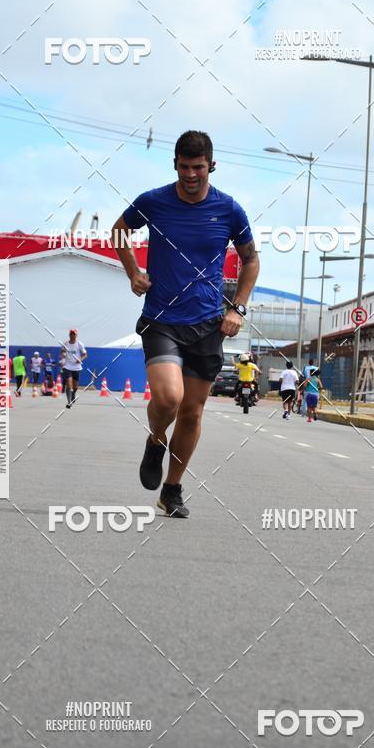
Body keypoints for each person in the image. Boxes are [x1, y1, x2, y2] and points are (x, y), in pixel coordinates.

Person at [111, 130, 259, 518]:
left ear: (212, 166)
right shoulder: (154, 202)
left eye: (198, 168)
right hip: (162, 318)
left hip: (208, 323)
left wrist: (237, 309)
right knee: (169, 398)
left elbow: (251, 261)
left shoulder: (229, 210)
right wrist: (133, 272)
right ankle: (156, 438)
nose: (191, 175)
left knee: (192, 412)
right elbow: (119, 231)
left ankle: (171, 489)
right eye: (184, 167)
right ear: (174, 164)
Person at [60, 329, 87, 409]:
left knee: (75, 386)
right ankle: (69, 402)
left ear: (76, 335)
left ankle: (73, 394)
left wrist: (80, 359)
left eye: (74, 334)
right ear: (69, 335)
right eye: (71, 334)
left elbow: (85, 354)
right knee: (69, 384)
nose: (72, 336)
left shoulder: (79, 344)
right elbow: (62, 352)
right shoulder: (65, 344)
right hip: (67, 366)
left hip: (76, 367)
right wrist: (62, 357)